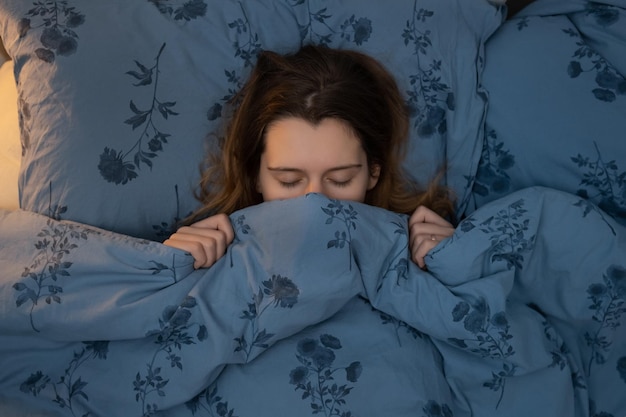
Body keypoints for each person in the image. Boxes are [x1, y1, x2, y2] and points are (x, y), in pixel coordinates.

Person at [164, 45, 455, 270]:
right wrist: (168, 267)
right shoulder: (206, 257)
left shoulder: (420, 250)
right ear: (255, 175)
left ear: (373, 173)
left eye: (340, 180)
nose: (315, 205)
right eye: (289, 181)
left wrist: (457, 266)